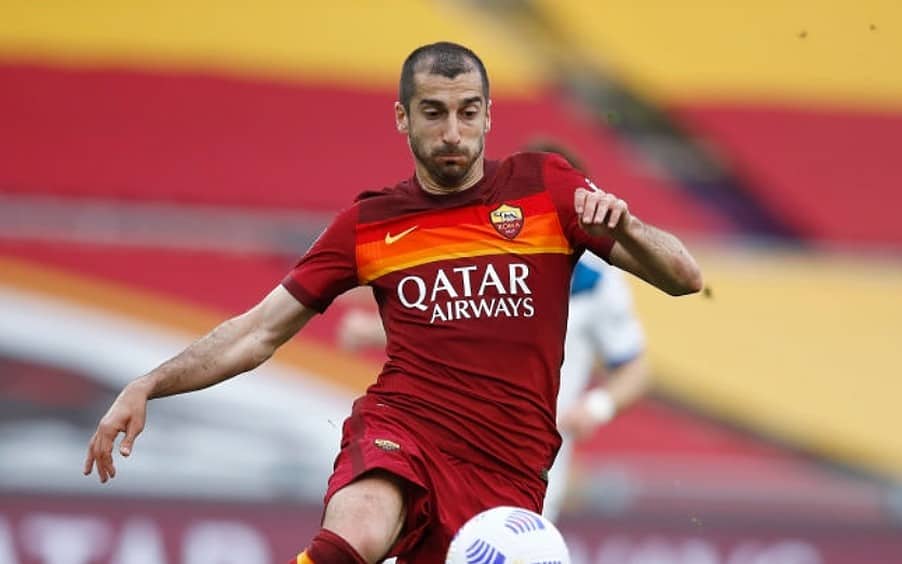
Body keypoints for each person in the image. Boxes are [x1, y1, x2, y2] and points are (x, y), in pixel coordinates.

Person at [83, 42, 703, 564]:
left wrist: (626, 227)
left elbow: (684, 276)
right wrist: (149, 383)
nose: (452, 132)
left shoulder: (545, 187)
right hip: (403, 427)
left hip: (507, 470)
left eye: (468, 112)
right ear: (403, 118)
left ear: (489, 116)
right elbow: (258, 333)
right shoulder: (370, 223)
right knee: (356, 530)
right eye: (433, 113)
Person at [337, 150, 650, 523]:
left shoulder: (597, 281)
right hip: (448, 438)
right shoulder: (490, 251)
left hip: (530, 459)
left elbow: (635, 368)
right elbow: (454, 325)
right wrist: (375, 329)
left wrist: (597, 407)